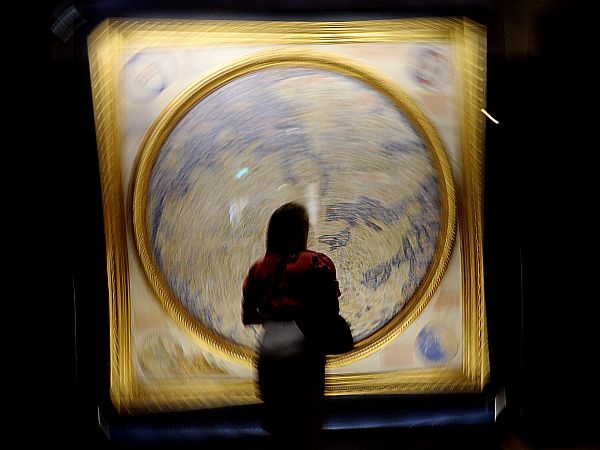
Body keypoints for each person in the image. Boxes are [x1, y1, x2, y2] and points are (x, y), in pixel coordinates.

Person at [241, 201, 342, 450]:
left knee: (278, 426)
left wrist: (275, 313)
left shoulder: (258, 269)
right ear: (302, 231)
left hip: (268, 348)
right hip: (305, 348)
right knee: (307, 426)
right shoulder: (318, 263)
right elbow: (331, 311)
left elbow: (248, 317)